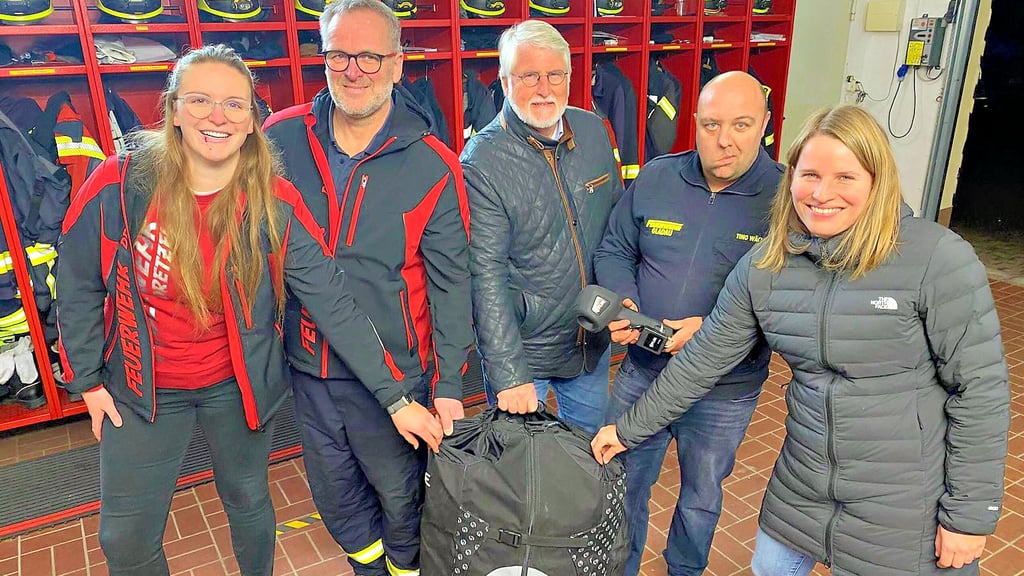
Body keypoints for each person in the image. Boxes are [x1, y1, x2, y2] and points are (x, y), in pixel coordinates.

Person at [56, 44, 442, 576]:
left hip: (236, 386)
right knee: (124, 538)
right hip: (141, 388)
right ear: (172, 110)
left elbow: (333, 301)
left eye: (235, 105)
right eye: (200, 100)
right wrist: (89, 380)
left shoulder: (273, 201)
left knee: (248, 503)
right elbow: (76, 280)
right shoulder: (120, 185)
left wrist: (397, 399)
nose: (218, 117)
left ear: (253, 121)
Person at [592, 104, 1011, 576]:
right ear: (789, 179)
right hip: (803, 488)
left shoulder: (937, 258)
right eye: (809, 174)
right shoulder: (767, 266)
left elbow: (980, 393)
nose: (822, 193)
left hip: (903, 502)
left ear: (878, 181)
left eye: (845, 177)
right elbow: (701, 360)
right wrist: (628, 430)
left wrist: (970, 516)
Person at [262, 0, 473, 573]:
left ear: (399, 64)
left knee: (403, 503)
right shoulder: (278, 141)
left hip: (397, 373)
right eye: (338, 55)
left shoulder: (434, 164)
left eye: (370, 56)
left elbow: (454, 285)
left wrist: (450, 384)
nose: (353, 70)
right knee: (337, 502)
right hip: (308, 368)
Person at [593, 70, 781, 576]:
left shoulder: (787, 202)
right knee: (623, 481)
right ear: (693, 123)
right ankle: (619, 567)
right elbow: (615, 248)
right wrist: (626, 305)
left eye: (742, 125)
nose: (725, 140)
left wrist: (719, 333)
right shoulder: (657, 176)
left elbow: (789, 299)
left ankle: (685, 569)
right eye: (712, 125)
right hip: (643, 368)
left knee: (701, 495)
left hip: (725, 388)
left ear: (764, 124)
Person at [461, 19, 622, 434]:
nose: (545, 89)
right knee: (523, 476)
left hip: (591, 341)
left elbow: (617, 227)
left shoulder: (592, 129)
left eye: (555, 75)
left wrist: (626, 299)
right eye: (529, 76)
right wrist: (508, 372)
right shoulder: (481, 162)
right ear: (504, 81)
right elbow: (485, 276)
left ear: (571, 77)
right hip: (526, 354)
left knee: (587, 463)